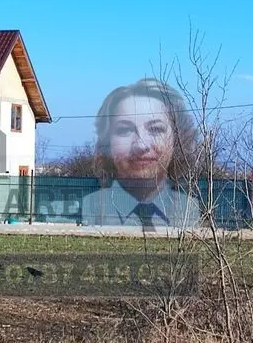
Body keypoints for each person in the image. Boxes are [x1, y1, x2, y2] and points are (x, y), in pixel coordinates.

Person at [81, 78, 200, 230]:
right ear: (107, 141)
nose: (141, 145)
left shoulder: (189, 208)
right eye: (125, 130)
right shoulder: (92, 206)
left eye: (156, 129)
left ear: (177, 139)